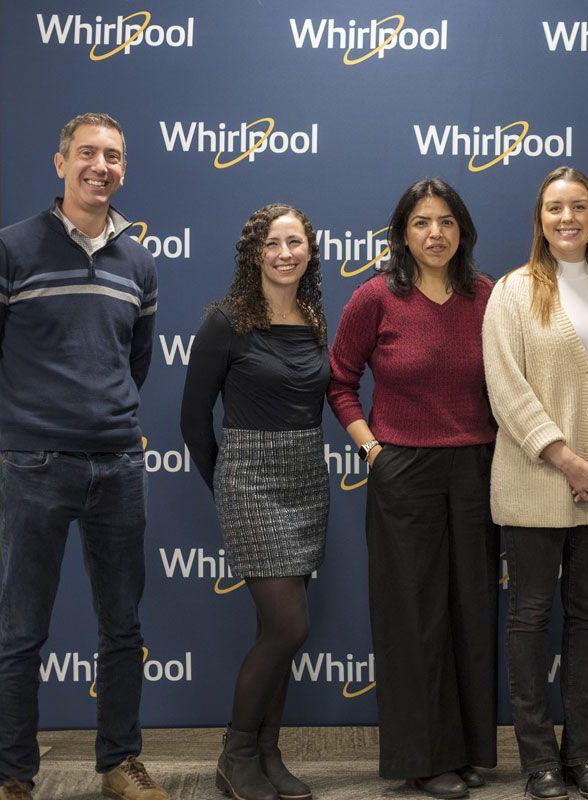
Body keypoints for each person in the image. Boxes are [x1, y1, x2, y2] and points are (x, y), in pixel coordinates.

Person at [0, 113, 166, 800]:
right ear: (60, 164)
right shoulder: (7, 250)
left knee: (123, 626)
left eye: (113, 155)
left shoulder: (139, 262)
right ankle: (14, 776)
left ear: (124, 169)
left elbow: (133, 364)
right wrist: (23, 434)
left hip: (117, 465)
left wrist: (99, 421)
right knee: (23, 630)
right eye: (87, 153)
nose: (100, 165)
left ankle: (120, 762)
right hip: (35, 467)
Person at [328, 179, 499, 799]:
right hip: (402, 471)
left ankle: (477, 749)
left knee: (473, 612)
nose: (435, 233)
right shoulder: (375, 298)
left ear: (463, 231)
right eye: (422, 222)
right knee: (415, 617)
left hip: (478, 469)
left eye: (446, 221)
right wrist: (372, 449)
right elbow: (340, 381)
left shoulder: (488, 296)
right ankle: (423, 759)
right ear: (403, 232)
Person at [482, 166, 588, 800]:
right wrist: (568, 461)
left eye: (578, 206)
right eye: (555, 208)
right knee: (528, 619)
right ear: (540, 220)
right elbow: (506, 386)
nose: (567, 218)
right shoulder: (513, 291)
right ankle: (538, 762)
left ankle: (586, 756)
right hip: (532, 485)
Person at [180, 203, 330, 800]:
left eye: (296, 242)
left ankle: (268, 752)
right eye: (274, 242)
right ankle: (235, 754)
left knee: (276, 629)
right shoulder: (225, 321)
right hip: (249, 480)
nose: (286, 253)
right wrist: (228, 486)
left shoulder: (316, 318)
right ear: (255, 252)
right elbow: (193, 420)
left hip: (306, 479)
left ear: (310, 252)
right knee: (290, 627)